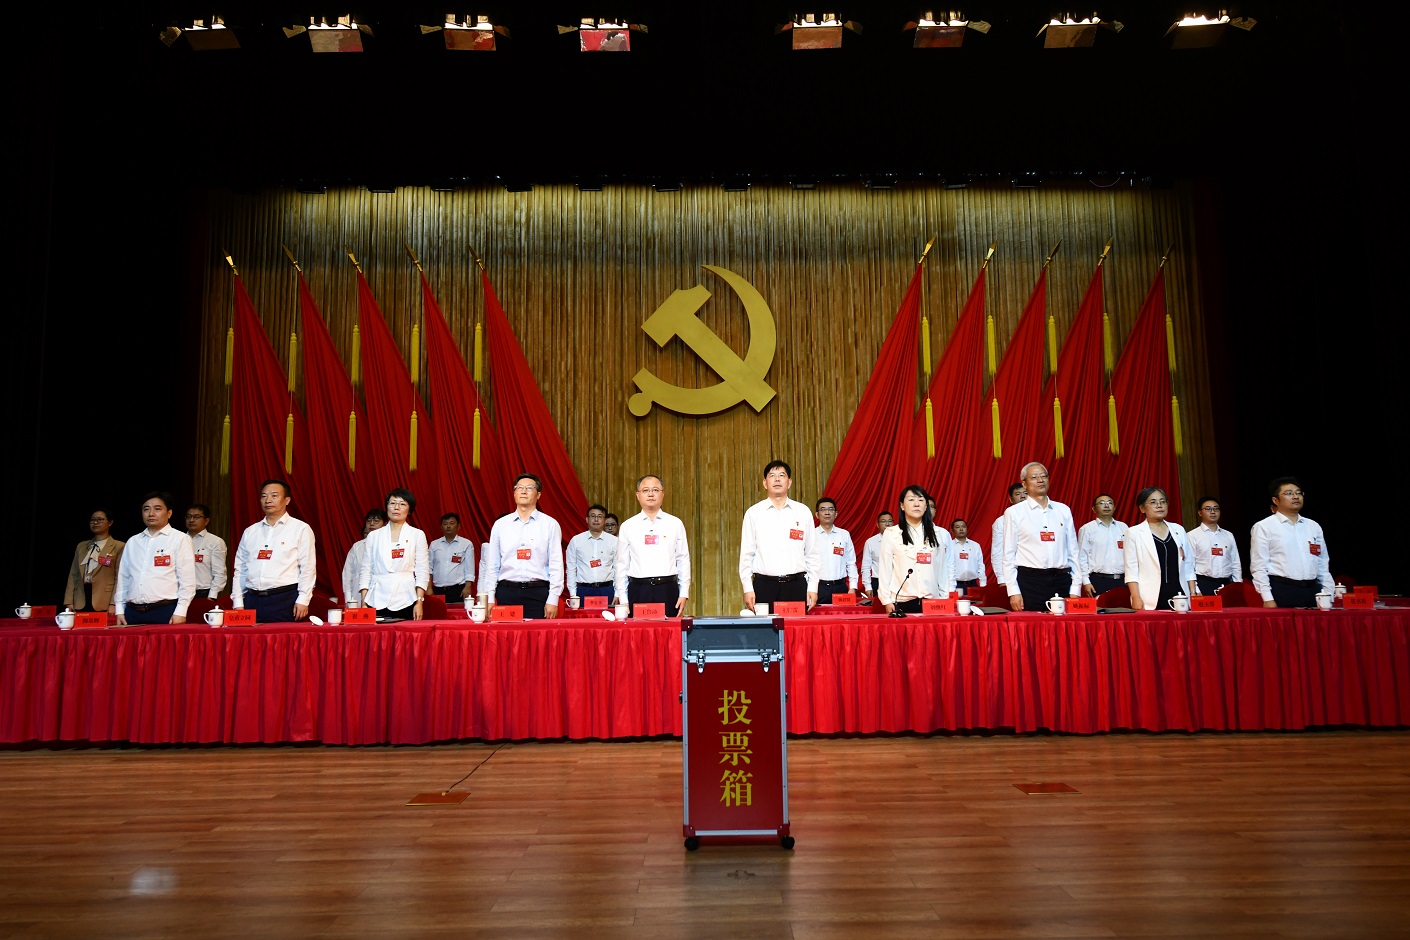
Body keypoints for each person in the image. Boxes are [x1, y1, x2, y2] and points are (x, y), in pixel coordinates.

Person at [738, 459, 820, 611]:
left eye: (782, 475)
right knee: (765, 627)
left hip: (796, 585)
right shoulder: (754, 513)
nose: (777, 479)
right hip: (764, 586)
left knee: (796, 627)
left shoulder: (802, 512)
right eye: (772, 475)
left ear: (789, 482)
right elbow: (746, 554)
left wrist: (813, 586)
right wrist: (747, 587)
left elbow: (812, 553)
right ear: (765, 483)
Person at [231, 479, 317, 623]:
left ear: (287, 500)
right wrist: (238, 602)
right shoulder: (250, 531)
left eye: (274, 496)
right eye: (264, 496)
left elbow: (308, 568)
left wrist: (303, 599)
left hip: (285, 599)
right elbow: (240, 569)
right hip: (252, 600)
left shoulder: (300, 529)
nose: (268, 500)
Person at [1002, 462, 1080, 612]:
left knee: (1064, 625)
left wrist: (1075, 587)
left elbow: (1073, 552)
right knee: (1033, 625)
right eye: (1034, 477)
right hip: (1030, 582)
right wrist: (1013, 591)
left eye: (1043, 476)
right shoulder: (1014, 512)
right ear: (1024, 484)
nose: (1040, 480)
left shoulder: (1063, 510)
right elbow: (1008, 555)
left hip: (1062, 580)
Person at [485, 473, 564, 619]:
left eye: (529, 488)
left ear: (538, 495)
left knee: (538, 634)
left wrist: (553, 598)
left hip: (538, 593)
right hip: (506, 592)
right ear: (514, 493)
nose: (523, 491)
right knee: (506, 633)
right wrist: (489, 597)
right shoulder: (501, 525)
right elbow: (492, 565)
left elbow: (556, 564)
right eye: (519, 487)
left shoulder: (550, 524)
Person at [113, 491, 196, 626]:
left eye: (157, 509)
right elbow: (124, 578)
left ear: (169, 513)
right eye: (146, 509)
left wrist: (181, 611)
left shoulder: (180, 539)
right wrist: (120, 609)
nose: (151, 513)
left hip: (165, 610)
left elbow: (187, 580)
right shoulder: (133, 541)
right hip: (132, 612)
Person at [1249, 476, 1333, 608]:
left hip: (1313, 591)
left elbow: (1322, 563)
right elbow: (1259, 566)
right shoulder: (1264, 526)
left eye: (1298, 493)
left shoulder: (1313, 526)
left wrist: (1329, 593)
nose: (1295, 496)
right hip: (1282, 590)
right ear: (1275, 500)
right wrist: (1267, 598)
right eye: (1288, 493)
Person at [614, 476, 690, 616]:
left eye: (655, 490)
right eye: (645, 490)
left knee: (668, 629)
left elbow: (683, 559)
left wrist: (684, 592)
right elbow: (622, 565)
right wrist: (623, 599)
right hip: (638, 590)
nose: (650, 494)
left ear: (663, 494)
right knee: (638, 630)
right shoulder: (628, 526)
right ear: (638, 495)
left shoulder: (675, 523)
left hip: (667, 589)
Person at [879, 485, 955, 614]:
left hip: (932, 602)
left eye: (920, 500)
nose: (916, 504)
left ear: (926, 506)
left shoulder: (938, 534)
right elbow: (885, 570)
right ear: (902, 506)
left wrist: (944, 598)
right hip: (901, 602)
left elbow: (942, 570)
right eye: (911, 500)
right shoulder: (891, 533)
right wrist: (886, 600)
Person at [359, 488, 430, 620]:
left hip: (406, 598)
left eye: (402, 504)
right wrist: (364, 602)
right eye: (392, 503)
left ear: (409, 510)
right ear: (387, 507)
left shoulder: (417, 535)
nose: (396, 507)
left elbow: (422, 570)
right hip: (376, 598)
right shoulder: (374, 536)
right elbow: (366, 569)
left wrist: (419, 602)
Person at [1124, 487, 1197, 611]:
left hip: (1180, 594)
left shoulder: (1178, 530)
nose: (1159, 505)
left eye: (1163, 501)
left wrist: (1193, 592)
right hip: (1150, 597)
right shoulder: (1133, 533)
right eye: (1153, 502)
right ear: (1142, 508)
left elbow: (1188, 565)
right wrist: (1135, 597)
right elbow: (1131, 570)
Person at [63, 508, 125, 615]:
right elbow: (73, 575)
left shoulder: (119, 546)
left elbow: (120, 577)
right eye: (93, 520)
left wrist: (114, 603)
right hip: (81, 598)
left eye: (100, 519)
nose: (95, 522)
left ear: (110, 522)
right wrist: (69, 600)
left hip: (104, 600)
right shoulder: (81, 546)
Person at [1186, 496, 1243, 597]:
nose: (1213, 512)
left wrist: (1238, 585)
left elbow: (1235, 563)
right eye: (1208, 509)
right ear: (1200, 512)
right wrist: (1195, 590)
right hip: (1204, 584)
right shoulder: (1192, 535)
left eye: (1216, 508)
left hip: (1227, 584)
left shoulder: (1228, 535)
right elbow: (1189, 565)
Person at [567, 504, 618, 607]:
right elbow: (571, 569)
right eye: (593, 516)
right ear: (587, 519)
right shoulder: (576, 541)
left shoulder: (614, 541)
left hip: (606, 589)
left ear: (604, 520)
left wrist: (617, 593)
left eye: (600, 516)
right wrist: (573, 594)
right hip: (583, 590)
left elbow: (618, 568)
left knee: (608, 617)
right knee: (584, 618)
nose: (596, 519)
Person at [1078, 494, 1128, 598]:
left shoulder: (1123, 527)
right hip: (1098, 581)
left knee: (1123, 608)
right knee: (1100, 608)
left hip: (1123, 581)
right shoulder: (1087, 529)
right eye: (1101, 503)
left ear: (1114, 507)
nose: (1106, 506)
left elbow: (1130, 554)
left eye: (1110, 503)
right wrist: (1086, 581)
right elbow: (1082, 557)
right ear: (1093, 509)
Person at [813, 497, 857, 604]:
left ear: (836, 514)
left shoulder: (844, 534)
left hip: (840, 587)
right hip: (818, 588)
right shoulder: (811, 535)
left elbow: (851, 562)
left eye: (831, 509)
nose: (827, 513)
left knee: (841, 614)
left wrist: (853, 587)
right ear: (817, 515)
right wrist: (810, 588)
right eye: (823, 509)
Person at [342, 509, 387, 607]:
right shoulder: (357, 547)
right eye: (369, 521)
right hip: (358, 598)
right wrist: (348, 600)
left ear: (385, 524)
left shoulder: (390, 545)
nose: (371, 524)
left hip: (384, 598)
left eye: (376, 521)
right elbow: (348, 575)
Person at [428, 512, 474, 604]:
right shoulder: (434, 545)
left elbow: (470, 569)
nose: (448, 526)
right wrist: (429, 588)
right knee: (438, 612)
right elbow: (429, 568)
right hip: (438, 590)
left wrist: (468, 587)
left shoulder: (466, 544)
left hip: (458, 590)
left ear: (458, 526)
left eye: (452, 523)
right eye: (445, 524)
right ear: (441, 527)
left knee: (458, 612)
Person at [184, 503, 227, 600]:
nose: (191, 520)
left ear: (206, 521)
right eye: (188, 517)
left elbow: (219, 573)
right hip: (180, 593)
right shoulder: (179, 540)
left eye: (196, 517)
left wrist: (212, 596)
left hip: (203, 594)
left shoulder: (215, 542)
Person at [990, 482, 1027, 589]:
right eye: (1018, 494)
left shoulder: (1039, 517)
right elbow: (997, 552)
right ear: (1011, 499)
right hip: (1014, 573)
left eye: (1026, 493)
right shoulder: (1001, 522)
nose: (1023, 496)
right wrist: (1001, 578)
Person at [859, 511, 894, 601]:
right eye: (883, 521)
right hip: (878, 582)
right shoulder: (871, 542)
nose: (887, 524)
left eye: (890, 521)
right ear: (878, 525)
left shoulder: (900, 541)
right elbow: (866, 566)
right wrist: (867, 586)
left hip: (896, 581)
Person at [949, 518, 987, 596]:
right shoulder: (949, 546)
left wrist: (983, 584)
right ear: (952, 531)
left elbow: (980, 565)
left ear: (967, 529)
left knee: (975, 603)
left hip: (973, 584)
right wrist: (950, 587)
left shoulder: (975, 545)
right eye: (957, 527)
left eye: (963, 526)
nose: (961, 529)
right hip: (955, 585)